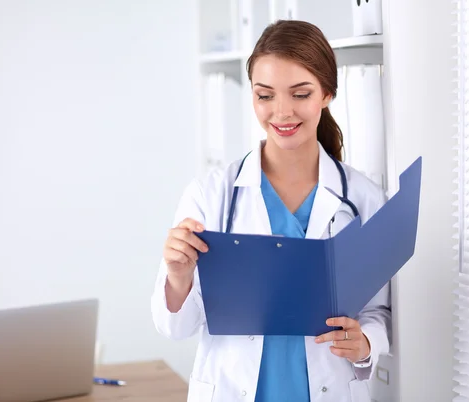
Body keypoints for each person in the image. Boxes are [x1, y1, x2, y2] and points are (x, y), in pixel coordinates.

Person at [151, 19, 391, 402]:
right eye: (265, 96)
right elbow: (175, 328)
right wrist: (178, 278)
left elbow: (378, 311)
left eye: (300, 94)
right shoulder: (211, 196)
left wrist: (365, 344)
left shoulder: (363, 199)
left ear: (327, 93)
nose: (281, 112)